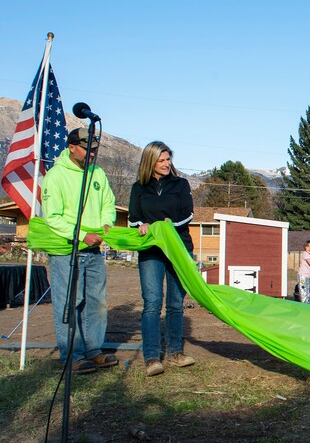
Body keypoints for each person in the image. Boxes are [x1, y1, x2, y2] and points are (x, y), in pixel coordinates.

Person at [43, 127, 117, 374]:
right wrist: (82, 235)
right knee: (69, 303)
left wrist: (106, 222)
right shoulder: (55, 176)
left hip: (94, 251)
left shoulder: (98, 174)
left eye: (95, 150)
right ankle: (71, 356)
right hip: (67, 252)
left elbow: (108, 203)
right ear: (72, 146)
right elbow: (52, 217)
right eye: (87, 149)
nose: (92, 154)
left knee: (96, 303)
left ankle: (93, 351)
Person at [129, 141, 196, 377]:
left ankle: (176, 353)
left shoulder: (181, 184)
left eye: (168, 159)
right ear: (150, 162)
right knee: (152, 303)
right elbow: (133, 218)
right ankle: (151, 358)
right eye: (161, 160)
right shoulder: (139, 188)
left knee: (176, 303)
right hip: (151, 251)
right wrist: (143, 225)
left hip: (179, 248)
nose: (167, 164)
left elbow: (188, 213)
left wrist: (168, 225)